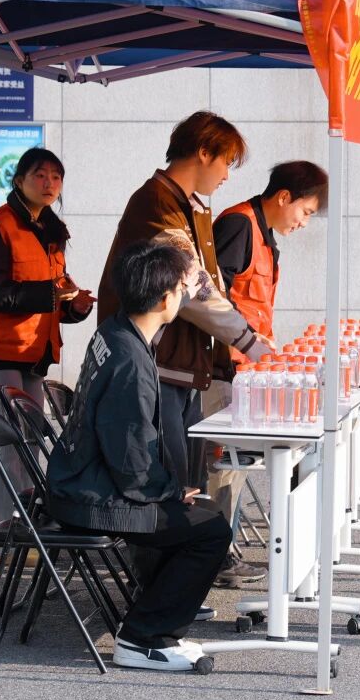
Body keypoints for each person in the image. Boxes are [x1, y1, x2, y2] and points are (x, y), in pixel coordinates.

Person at [47, 241, 233, 672]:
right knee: (209, 531)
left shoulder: (115, 331)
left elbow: (127, 449)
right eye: (182, 289)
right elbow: (131, 459)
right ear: (165, 299)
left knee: (197, 514)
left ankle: (158, 617)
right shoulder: (131, 360)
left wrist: (169, 490)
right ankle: (142, 637)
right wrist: (168, 491)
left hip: (79, 483)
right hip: (92, 500)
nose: (185, 295)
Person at [96, 112, 273, 496]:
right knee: (170, 478)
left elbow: (206, 284)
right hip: (154, 362)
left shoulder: (185, 205)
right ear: (204, 152)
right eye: (227, 162)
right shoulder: (156, 202)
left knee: (186, 477)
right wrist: (247, 340)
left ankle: (185, 532)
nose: (226, 175)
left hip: (177, 363)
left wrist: (243, 336)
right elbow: (194, 286)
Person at [0, 148, 94, 559]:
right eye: (40, 174)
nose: (49, 182)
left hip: (32, 352)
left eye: (56, 176)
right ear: (19, 180)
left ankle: (25, 528)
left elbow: (53, 292)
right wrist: (51, 294)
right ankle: (3, 540)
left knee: (30, 441)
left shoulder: (50, 231)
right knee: (8, 444)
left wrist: (74, 306)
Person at [207, 160, 328, 587]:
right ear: (283, 197)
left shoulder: (262, 233)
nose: (304, 222)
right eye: (305, 212)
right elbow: (212, 295)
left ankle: (222, 551)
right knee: (222, 466)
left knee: (233, 466)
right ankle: (215, 558)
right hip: (222, 366)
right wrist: (246, 337)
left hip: (245, 367)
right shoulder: (239, 225)